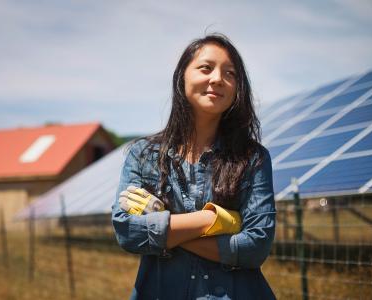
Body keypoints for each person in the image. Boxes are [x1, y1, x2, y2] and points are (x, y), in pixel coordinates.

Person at [112, 33, 276, 299]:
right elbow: (127, 233)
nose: (217, 78)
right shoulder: (143, 155)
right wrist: (214, 220)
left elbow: (256, 246)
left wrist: (164, 230)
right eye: (205, 68)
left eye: (230, 73)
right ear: (182, 78)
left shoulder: (253, 158)